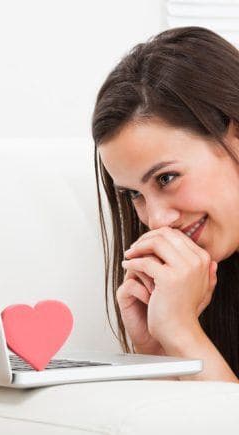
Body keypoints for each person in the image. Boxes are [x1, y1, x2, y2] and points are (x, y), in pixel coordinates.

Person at [92, 26, 239, 382]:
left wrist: (181, 334)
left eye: (166, 178)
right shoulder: (199, 282)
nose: (157, 220)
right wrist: (159, 354)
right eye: (133, 194)